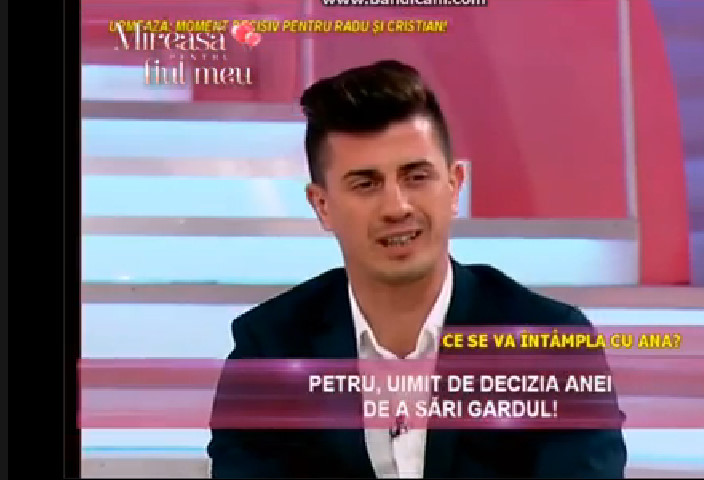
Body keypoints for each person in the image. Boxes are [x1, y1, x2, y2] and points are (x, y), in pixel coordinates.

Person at [207, 59, 627, 478]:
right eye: (366, 184)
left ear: (454, 186)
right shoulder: (271, 350)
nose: (397, 207)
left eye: (416, 176)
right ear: (322, 205)